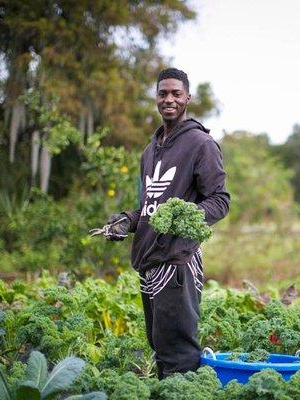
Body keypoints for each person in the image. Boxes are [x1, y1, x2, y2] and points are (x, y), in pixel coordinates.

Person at [105, 67, 230, 379]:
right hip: (149, 261)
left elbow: (219, 199)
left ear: (187, 97)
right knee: (160, 346)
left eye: (176, 93)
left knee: (179, 354)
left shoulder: (201, 144)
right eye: (163, 93)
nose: (169, 99)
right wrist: (126, 221)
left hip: (178, 262)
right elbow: (150, 207)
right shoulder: (150, 151)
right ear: (156, 98)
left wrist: (183, 218)